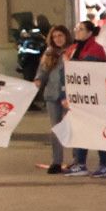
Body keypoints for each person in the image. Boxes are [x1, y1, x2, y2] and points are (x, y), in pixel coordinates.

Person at [64, 20, 106, 177]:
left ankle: (104, 165)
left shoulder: (96, 49)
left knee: (99, 131)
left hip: (95, 98)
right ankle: (80, 163)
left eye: (81, 29)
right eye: (77, 28)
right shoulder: (74, 48)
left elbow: (87, 69)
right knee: (80, 130)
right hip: (79, 98)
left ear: (90, 33)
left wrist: (70, 63)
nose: (77, 31)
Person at [36, 26, 74, 175]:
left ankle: (77, 160)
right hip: (52, 96)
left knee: (72, 128)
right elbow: (42, 71)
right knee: (56, 129)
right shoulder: (49, 53)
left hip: (70, 97)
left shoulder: (72, 51)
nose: (58, 39)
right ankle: (56, 161)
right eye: (55, 36)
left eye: (61, 35)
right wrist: (38, 80)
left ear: (66, 36)